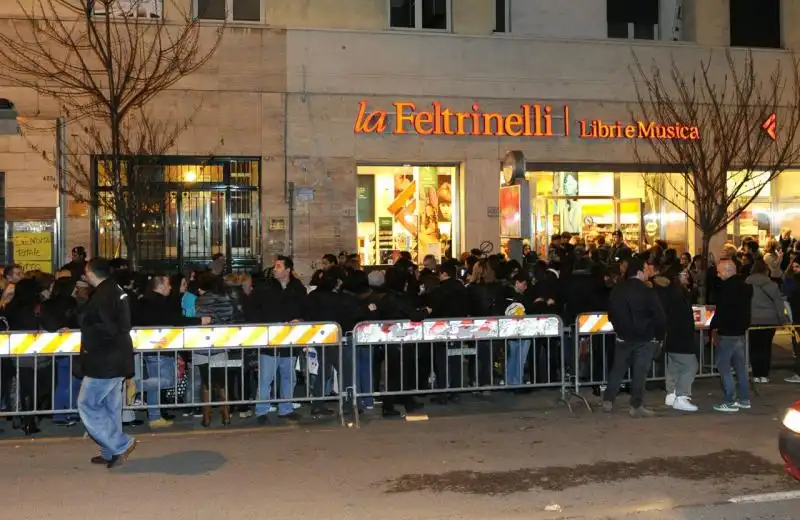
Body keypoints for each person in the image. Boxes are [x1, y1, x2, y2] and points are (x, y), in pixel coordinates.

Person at [76, 257, 137, 468]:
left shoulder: (102, 295)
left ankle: (120, 444)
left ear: (90, 272)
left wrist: (86, 325)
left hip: (104, 360)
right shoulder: (115, 289)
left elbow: (107, 327)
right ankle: (110, 451)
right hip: (117, 357)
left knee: (87, 404)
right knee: (110, 407)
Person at [602, 256, 666, 418]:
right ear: (639, 272)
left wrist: (619, 328)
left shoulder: (617, 290)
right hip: (644, 338)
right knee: (640, 372)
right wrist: (657, 334)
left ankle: (608, 399)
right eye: (645, 269)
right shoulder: (647, 291)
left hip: (623, 336)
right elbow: (659, 316)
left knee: (618, 369)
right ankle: (636, 405)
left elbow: (611, 313)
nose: (647, 272)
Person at [651, 263, 698, 412]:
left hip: (670, 334)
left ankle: (671, 393)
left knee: (674, 365)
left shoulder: (667, 291)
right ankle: (682, 396)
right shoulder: (677, 294)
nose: (688, 276)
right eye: (685, 273)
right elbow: (681, 317)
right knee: (690, 365)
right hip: (680, 334)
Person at [710, 259, 753, 413]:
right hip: (740, 332)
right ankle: (744, 399)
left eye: (719, 271)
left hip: (727, 333)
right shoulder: (746, 288)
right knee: (741, 368)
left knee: (724, 367)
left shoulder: (725, 288)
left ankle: (730, 400)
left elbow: (721, 312)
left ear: (728, 271)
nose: (718, 274)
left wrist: (714, 327)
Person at [746, 258, 788, 383]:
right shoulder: (773, 285)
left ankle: (756, 373)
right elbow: (779, 304)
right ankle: (764, 374)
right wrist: (783, 320)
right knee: (766, 346)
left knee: (754, 347)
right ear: (766, 271)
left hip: (752, 319)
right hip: (770, 320)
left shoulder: (747, 284)